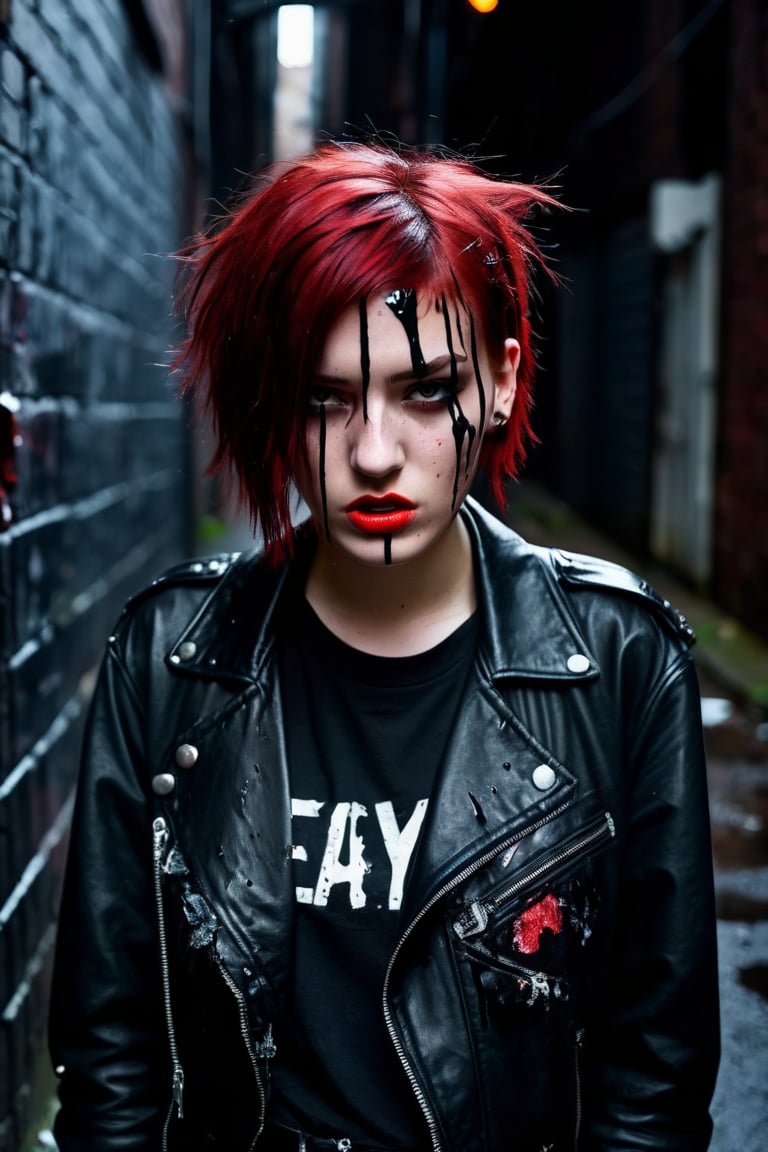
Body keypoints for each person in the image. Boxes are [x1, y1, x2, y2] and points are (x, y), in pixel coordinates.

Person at [49, 142, 719, 1152]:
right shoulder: (168, 662)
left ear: (498, 383)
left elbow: (651, 1082)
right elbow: (111, 1060)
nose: (372, 453)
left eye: (424, 389)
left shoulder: (619, 662)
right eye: (326, 397)